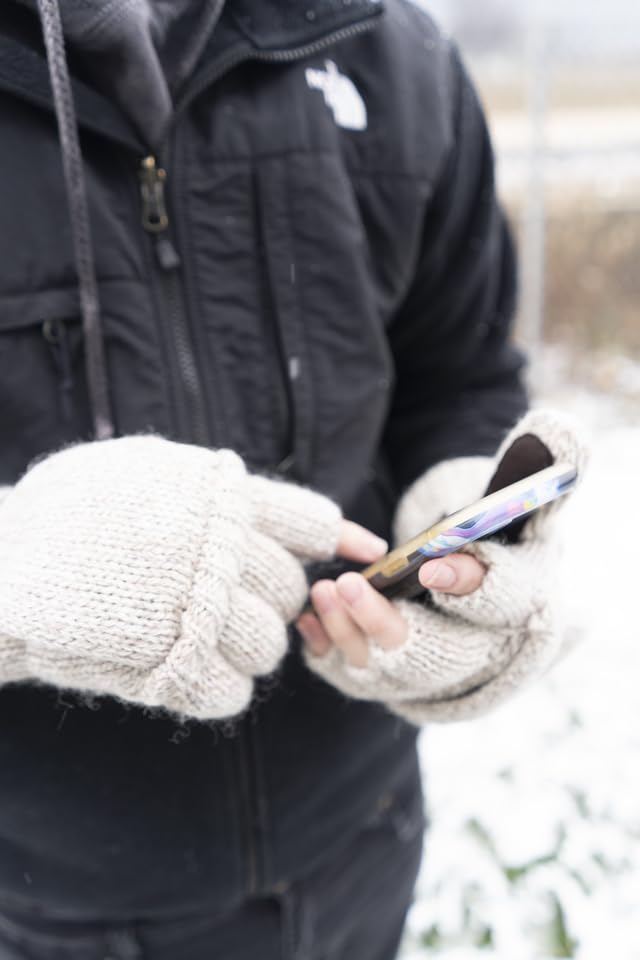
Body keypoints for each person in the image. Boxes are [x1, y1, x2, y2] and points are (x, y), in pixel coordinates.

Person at [0, 0, 586, 957]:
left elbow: (462, 375)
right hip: (53, 903)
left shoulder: (391, 51)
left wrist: (461, 513)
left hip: (365, 837)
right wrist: (18, 567)